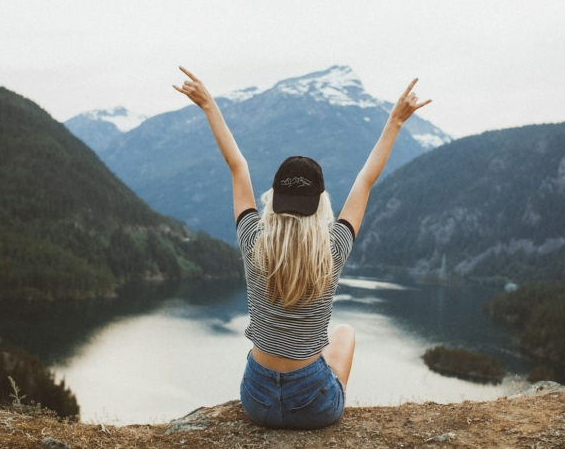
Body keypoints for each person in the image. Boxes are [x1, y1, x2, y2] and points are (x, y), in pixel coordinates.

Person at [173, 67, 431, 429]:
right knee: (344, 334)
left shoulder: (253, 240)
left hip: (256, 399)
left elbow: (237, 165)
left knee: (309, 347)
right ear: (320, 204)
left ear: (274, 200)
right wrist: (395, 122)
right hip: (314, 405)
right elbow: (366, 179)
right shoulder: (333, 249)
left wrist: (209, 105)